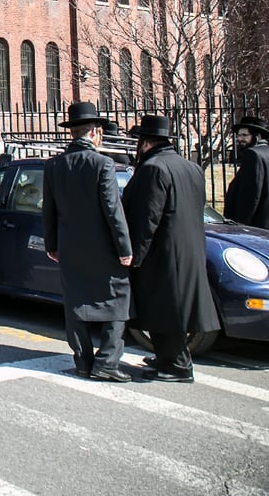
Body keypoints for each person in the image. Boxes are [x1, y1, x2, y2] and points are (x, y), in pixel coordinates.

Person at [123, 114, 221, 383]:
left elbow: (147, 218)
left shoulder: (154, 169)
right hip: (188, 250)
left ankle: (178, 365)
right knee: (172, 310)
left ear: (145, 143)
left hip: (163, 254)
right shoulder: (191, 167)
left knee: (165, 311)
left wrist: (135, 256)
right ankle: (167, 358)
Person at [42, 101, 134, 382]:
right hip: (103, 247)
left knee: (76, 302)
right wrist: (124, 248)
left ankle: (83, 361)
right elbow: (112, 209)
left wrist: (52, 245)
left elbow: (49, 210)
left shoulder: (55, 165)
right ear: (95, 133)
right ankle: (107, 360)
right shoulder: (102, 164)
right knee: (117, 300)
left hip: (69, 246)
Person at [224, 115, 269, 230]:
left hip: (256, 225)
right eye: (238, 135)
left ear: (257, 136)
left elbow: (251, 194)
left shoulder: (253, 154)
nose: (239, 139)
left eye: (244, 135)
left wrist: (242, 223)